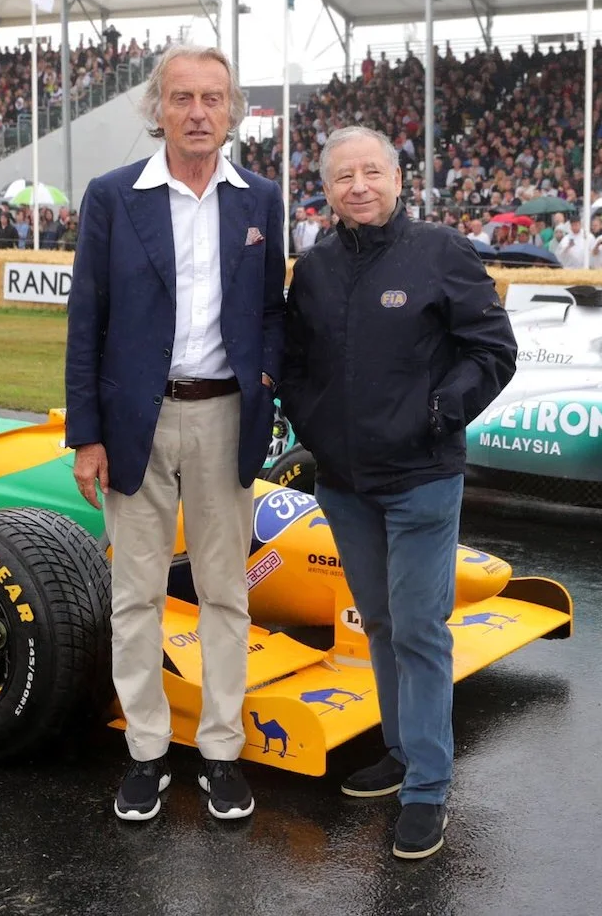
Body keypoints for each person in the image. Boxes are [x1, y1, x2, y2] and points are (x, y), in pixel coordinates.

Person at [280, 125, 517, 861]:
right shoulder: (314, 266)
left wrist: (442, 410)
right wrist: (311, 424)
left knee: (419, 628)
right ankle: (399, 748)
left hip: (421, 478)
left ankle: (427, 787)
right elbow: (295, 361)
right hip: (345, 484)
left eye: (371, 171)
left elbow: (493, 349)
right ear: (326, 188)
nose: (358, 185)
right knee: (378, 622)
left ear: (397, 178)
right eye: (344, 175)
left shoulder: (441, 251)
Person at [65, 45, 285, 824]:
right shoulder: (112, 196)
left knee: (227, 592)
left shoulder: (260, 198)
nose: (198, 112)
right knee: (138, 595)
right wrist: (85, 431)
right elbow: (85, 318)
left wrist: (266, 387)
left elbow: (269, 312)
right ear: (157, 107)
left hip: (227, 415)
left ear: (233, 111)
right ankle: (148, 752)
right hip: (136, 420)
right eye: (183, 97)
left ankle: (222, 752)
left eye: (213, 99)